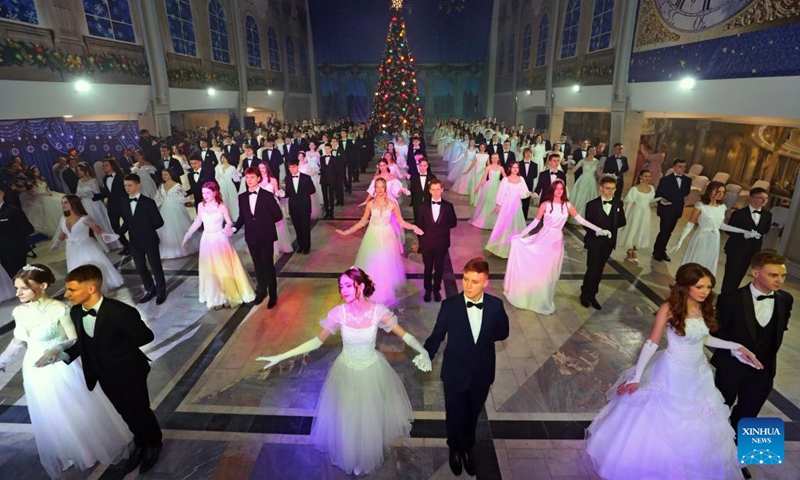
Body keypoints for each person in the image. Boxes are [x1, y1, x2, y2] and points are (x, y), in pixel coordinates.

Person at [585, 263, 759, 480]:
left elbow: (702, 337)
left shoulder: (704, 306)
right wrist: (637, 377)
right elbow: (652, 342)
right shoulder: (669, 308)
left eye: (708, 287)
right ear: (685, 286)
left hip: (699, 375)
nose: (706, 292)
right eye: (700, 287)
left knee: (702, 423)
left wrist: (735, 346)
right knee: (659, 422)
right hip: (671, 373)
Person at [256, 267, 431, 475]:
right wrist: (280, 356)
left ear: (362, 286)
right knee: (348, 416)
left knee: (367, 417)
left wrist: (423, 351)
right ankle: (352, 454)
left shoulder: (379, 312)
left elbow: (404, 335)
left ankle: (364, 454)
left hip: (370, 371)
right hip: (346, 371)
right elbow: (315, 342)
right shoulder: (339, 313)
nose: (344, 290)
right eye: (341, 286)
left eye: (348, 285)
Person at [0, 264, 132, 478]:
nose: (18, 294)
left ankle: (90, 448)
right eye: (16, 288)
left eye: (23, 288)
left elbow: (74, 338)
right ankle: (70, 449)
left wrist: (57, 348)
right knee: (50, 412)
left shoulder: (59, 308)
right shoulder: (19, 311)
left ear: (42, 285)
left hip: (60, 368)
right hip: (34, 370)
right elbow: (18, 339)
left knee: (75, 408)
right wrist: (3, 359)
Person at [35, 264, 163, 475]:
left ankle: (153, 444)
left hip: (129, 371)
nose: (66, 294)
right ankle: (140, 441)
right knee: (124, 410)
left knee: (139, 409)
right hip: (102, 373)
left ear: (91, 289)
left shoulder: (121, 312)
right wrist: (60, 355)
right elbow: (82, 344)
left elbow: (145, 337)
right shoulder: (76, 312)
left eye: (72, 290)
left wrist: (122, 345)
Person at [424, 258, 510, 477]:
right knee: (454, 414)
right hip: (454, 372)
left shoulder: (496, 305)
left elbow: (503, 332)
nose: (468, 286)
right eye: (465, 279)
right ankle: (454, 448)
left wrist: (483, 337)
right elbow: (436, 337)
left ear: (486, 283)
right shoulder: (450, 306)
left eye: (475, 281)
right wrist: (427, 354)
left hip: (482, 373)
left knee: (472, 415)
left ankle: (467, 448)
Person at [712, 252, 793, 480]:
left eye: (783, 276)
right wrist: (734, 351)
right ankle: (715, 455)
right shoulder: (730, 299)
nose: (780, 280)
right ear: (755, 273)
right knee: (721, 409)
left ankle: (739, 461)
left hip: (763, 370)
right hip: (731, 367)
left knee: (749, 414)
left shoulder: (786, 299)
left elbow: (780, 329)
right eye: (773, 275)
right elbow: (717, 331)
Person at [504, 180, 610, 315]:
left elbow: (581, 220)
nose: (559, 191)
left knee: (550, 272)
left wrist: (598, 229)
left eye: (561, 188)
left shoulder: (567, 205)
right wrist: (520, 234)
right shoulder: (545, 204)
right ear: (552, 190)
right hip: (543, 237)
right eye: (557, 188)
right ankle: (531, 295)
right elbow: (535, 223)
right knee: (539, 268)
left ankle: (544, 299)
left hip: (557, 241)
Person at [336, 178, 423, 306]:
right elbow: (362, 222)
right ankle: (371, 293)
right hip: (372, 236)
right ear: (375, 189)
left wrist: (414, 227)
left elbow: (401, 222)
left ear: (385, 188)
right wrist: (347, 232)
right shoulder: (370, 204)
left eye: (382, 187)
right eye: (378, 187)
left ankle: (386, 294)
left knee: (386, 265)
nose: (380, 190)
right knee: (372, 263)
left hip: (387, 236)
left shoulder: (392, 204)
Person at [183, 182, 254, 310]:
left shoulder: (221, 206)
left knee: (224, 267)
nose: (205, 195)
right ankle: (216, 297)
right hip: (207, 239)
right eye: (203, 193)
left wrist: (228, 228)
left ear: (215, 192)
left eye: (208, 193)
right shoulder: (200, 206)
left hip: (220, 239)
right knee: (211, 269)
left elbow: (229, 221)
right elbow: (198, 222)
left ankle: (229, 295)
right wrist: (187, 235)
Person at [670, 181, 760, 275]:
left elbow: (721, 225)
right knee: (696, 261)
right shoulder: (700, 205)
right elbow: (690, 224)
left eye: (723, 192)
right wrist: (680, 240)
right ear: (710, 191)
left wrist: (744, 231)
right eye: (718, 191)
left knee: (708, 262)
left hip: (714, 239)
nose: (721, 194)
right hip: (702, 237)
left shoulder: (722, 207)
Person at [232, 167, 284, 308]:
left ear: (258, 178)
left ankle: (273, 295)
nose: (249, 180)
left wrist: (263, 222)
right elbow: (242, 217)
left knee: (268, 265)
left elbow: (278, 215)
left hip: (266, 235)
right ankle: (262, 291)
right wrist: (234, 228)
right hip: (251, 236)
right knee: (257, 265)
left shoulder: (267, 195)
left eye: (252, 177)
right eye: (247, 178)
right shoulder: (242, 197)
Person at [51, 195, 124, 292]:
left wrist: (105, 235)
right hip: (72, 249)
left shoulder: (85, 218)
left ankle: (97, 286)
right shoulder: (63, 219)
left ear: (73, 203)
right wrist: (56, 244)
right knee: (76, 268)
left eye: (66, 202)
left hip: (86, 247)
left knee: (90, 267)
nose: (63, 205)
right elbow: (63, 233)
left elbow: (97, 229)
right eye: (62, 203)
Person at [119, 174, 168, 305]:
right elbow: (127, 222)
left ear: (138, 185)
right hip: (134, 241)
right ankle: (150, 289)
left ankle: (161, 291)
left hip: (149, 239)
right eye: (125, 186)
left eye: (130, 185)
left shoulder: (148, 202)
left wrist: (145, 227)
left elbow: (159, 222)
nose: (127, 188)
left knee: (155, 265)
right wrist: (118, 234)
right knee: (140, 267)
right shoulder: (124, 202)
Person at [580, 177, 627, 310]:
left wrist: (611, 225)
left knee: (600, 270)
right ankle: (584, 293)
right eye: (607, 188)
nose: (610, 191)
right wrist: (598, 231)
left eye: (613, 189)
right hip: (594, 241)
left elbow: (622, 221)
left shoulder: (618, 204)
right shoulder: (592, 204)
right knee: (592, 268)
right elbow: (586, 225)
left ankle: (593, 294)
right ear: (601, 188)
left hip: (608, 243)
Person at [720, 188, 772, 293]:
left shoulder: (767, 215)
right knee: (730, 276)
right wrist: (744, 235)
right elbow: (729, 232)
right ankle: (724, 299)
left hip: (752, 251)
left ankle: (732, 298)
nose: (764, 201)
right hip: (736, 249)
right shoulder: (738, 214)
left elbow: (765, 230)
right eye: (760, 198)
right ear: (752, 198)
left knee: (740, 275)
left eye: (766, 198)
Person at [415, 179, 457, 302]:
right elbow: (419, 224)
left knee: (439, 267)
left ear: (442, 190)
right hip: (427, 243)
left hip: (442, 243)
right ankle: (427, 290)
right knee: (428, 267)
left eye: (438, 189)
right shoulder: (423, 206)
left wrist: (442, 228)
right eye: (433, 189)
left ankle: (436, 289)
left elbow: (453, 223)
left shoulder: (448, 206)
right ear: (429, 191)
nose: (436, 192)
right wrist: (421, 242)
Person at [486, 162, 532, 259]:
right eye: (513, 167)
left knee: (516, 225)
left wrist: (530, 194)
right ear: (510, 168)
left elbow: (523, 193)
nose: (515, 169)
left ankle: (516, 246)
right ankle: (502, 245)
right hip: (507, 204)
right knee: (505, 224)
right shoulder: (505, 179)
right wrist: (498, 204)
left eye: (517, 167)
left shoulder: (521, 179)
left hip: (517, 205)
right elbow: (501, 192)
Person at [652, 158, 692, 262]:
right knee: (664, 231)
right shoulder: (665, 180)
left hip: (677, 209)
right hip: (666, 209)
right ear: (674, 167)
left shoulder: (687, 180)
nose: (682, 169)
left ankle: (662, 250)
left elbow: (685, 194)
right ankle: (657, 251)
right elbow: (658, 194)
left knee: (669, 232)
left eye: (684, 167)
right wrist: (662, 201)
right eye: (680, 166)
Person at [75, 164, 122, 251]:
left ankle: (111, 243)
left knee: (100, 220)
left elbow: (96, 192)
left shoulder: (93, 180)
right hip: (85, 204)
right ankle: (100, 246)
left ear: (85, 170)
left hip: (94, 203)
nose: (79, 172)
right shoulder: (79, 181)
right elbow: (78, 194)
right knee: (91, 223)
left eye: (80, 170)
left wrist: (86, 194)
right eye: (77, 170)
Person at [155, 169, 198, 259]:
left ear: (170, 174)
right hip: (165, 208)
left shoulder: (177, 185)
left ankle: (183, 247)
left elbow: (183, 197)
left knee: (179, 226)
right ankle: (169, 249)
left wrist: (188, 202)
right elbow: (158, 198)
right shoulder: (161, 185)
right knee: (166, 228)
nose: (164, 176)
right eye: (163, 175)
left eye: (166, 174)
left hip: (176, 208)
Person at [618, 170, 658, 263]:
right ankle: (629, 249)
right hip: (636, 212)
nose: (647, 178)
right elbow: (629, 203)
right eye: (645, 176)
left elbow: (650, 200)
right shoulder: (635, 189)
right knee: (634, 230)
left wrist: (660, 200)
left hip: (646, 213)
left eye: (649, 176)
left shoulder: (651, 188)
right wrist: (625, 215)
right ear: (640, 177)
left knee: (641, 230)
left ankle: (635, 249)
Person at [17, 166, 64, 237]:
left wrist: (49, 192)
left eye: (38, 170)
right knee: (48, 205)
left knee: (60, 200)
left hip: (47, 194)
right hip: (39, 197)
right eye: (35, 171)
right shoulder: (30, 182)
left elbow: (46, 187)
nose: (37, 172)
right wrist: (43, 194)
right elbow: (31, 193)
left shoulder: (42, 179)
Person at [0, 184, 35, 278]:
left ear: (2, 193)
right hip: (2, 253)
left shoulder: (12, 211)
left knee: (18, 276)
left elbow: (28, 228)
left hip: (14, 250)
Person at [99, 159, 131, 255]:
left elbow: (126, 191)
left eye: (106, 165)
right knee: (114, 226)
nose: (104, 167)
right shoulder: (105, 178)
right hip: (112, 206)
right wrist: (94, 197)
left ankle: (133, 244)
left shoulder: (121, 177)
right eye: (103, 165)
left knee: (129, 223)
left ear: (112, 166)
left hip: (123, 204)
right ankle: (126, 246)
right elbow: (106, 192)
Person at [285, 159, 316, 254]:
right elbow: (288, 193)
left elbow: (312, 190)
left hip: (304, 206)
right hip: (293, 206)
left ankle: (307, 246)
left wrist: (303, 194)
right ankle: (301, 245)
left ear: (297, 166)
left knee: (305, 227)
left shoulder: (306, 178)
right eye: (290, 167)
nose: (291, 169)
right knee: (297, 227)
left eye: (293, 167)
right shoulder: (287, 178)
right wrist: (282, 194)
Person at [469, 153, 506, 230]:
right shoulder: (488, 167)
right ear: (491, 159)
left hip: (498, 186)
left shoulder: (501, 168)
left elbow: (505, 178)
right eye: (493, 158)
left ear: (498, 158)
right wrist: (478, 187)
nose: (494, 160)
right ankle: (484, 220)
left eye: (496, 158)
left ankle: (496, 222)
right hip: (489, 186)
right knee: (487, 202)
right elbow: (484, 178)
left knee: (497, 202)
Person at [568, 145, 600, 219]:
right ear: (588, 151)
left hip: (591, 181)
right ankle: (576, 217)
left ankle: (588, 217)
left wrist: (607, 175)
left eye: (594, 150)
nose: (592, 152)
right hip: (582, 181)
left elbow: (598, 173)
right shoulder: (583, 161)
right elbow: (574, 170)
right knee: (580, 198)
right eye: (591, 150)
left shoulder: (597, 162)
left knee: (590, 199)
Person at [214, 153, 241, 221]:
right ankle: (226, 218)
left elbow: (236, 179)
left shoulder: (232, 167)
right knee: (224, 201)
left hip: (230, 185)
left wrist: (238, 174)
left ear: (227, 158)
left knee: (233, 201)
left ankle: (235, 217)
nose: (223, 160)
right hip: (222, 186)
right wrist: (219, 184)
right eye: (222, 158)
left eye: (224, 158)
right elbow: (217, 177)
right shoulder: (218, 167)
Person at [518, 147, 539, 219]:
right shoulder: (519, 163)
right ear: (524, 154)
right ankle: (516, 217)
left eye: (530, 153)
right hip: (519, 185)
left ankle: (524, 217)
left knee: (526, 202)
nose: (528, 154)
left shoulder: (535, 165)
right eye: (527, 153)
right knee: (517, 201)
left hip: (529, 185)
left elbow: (535, 175)